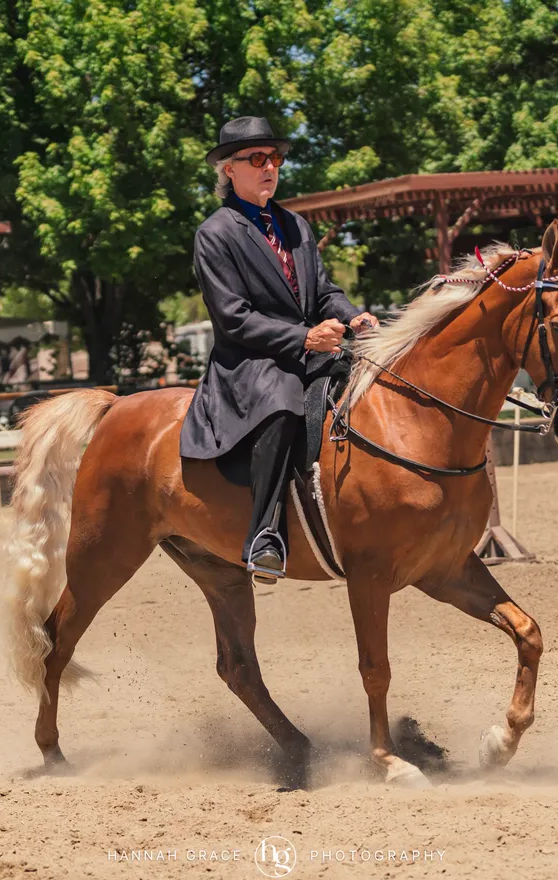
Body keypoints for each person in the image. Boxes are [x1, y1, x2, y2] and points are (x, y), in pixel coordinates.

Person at [180, 116, 377, 583]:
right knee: (284, 404)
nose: (270, 167)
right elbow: (233, 318)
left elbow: (324, 291)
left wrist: (353, 316)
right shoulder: (215, 234)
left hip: (311, 350)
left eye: (275, 158)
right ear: (230, 169)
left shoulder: (296, 226)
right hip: (250, 361)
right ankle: (264, 536)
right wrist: (304, 337)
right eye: (257, 159)